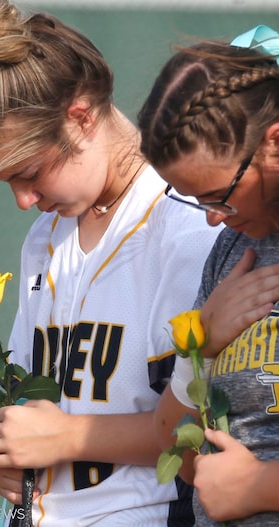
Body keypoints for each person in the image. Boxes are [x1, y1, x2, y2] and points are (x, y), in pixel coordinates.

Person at [0, 1, 222, 525]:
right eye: (6, 182)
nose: (23, 200)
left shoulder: (187, 226)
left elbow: (203, 434)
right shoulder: (45, 238)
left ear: (80, 117)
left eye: (29, 172)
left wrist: (65, 439)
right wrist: (16, 457)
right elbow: (35, 411)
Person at [137, 25, 279, 526]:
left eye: (219, 193)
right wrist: (202, 342)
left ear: (274, 144)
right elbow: (172, 439)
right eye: (194, 200)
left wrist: (260, 487)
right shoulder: (233, 248)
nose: (211, 217)